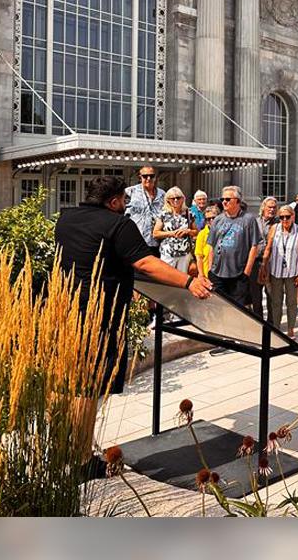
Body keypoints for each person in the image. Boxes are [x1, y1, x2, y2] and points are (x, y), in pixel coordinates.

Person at [54, 176, 211, 472]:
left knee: (70, 384)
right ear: (113, 201)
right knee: (88, 389)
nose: (126, 206)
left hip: (67, 309)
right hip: (100, 314)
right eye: (123, 201)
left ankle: (65, 447)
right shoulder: (118, 223)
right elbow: (144, 262)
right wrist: (189, 282)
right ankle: (81, 460)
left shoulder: (66, 219)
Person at [206, 185, 263, 309]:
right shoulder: (217, 220)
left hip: (238, 274)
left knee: (237, 308)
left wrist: (246, 273)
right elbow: (211, 246)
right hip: (218, 273)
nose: (224, 202)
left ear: (237, 201)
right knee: (219, 306)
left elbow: (254, 246)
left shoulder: (249, 220)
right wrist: (210, 270)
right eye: (223, 199)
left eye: (227, 199)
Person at [261, 203, 298, 338]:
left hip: (292, 272)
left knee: (291, 302)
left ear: (293, 216)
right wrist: (264, 265)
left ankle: (290, 329)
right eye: (282, 217)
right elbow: (268, 248)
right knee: (276, 301)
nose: (284, 220)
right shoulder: (275, 228)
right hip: (276, 271)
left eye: (287, 217)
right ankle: (277, 329)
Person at [152, 186, 197, 273]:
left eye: (178, 198)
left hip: (184, 254)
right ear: (168, 200)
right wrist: (172, 233)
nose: (176, 200)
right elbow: (155, 233)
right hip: (168, 254)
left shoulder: (189, 213)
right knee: (166, 279)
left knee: (182, 279)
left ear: (183, 199)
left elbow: (196, 232)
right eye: (173, 198)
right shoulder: (163, 214)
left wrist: (188, 231)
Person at [124, 165, 165, 256]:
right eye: (145, 176)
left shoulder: (162, 194)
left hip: (157, 242)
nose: (148, 178)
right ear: (140, 177)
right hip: (136, 241)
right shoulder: (130, 192)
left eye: (151, 176)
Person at [248, 197, 278, 319]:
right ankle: (258, 321)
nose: (272, 209)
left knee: (271, 294)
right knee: (256, 295)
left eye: (274, 207)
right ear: (263, 208)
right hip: (256, 261)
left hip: (272, 263)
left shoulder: (279, 223)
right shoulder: (254, 222)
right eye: (269, 207)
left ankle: (271, 323)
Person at [194, 202, 220, 278]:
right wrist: (201, 275)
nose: (211, 220)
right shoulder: (202, 234)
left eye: (213, 218)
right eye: (208, 219)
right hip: (207, 275)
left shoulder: (224, 232)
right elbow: (199, 257)